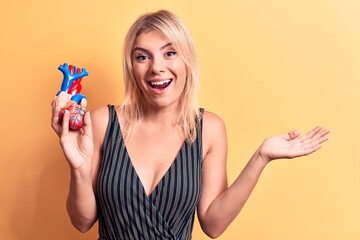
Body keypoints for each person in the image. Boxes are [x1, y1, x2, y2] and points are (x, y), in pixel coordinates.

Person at [51, 10, 329, 240]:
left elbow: (213, 224)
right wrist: (78, 167)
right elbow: (82, 221)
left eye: (170, 53)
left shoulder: (209, 129)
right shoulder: (102, 122)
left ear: (187, 60)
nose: (156, 67)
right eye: (142, 56)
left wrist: (261, 157)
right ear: (132, 67)